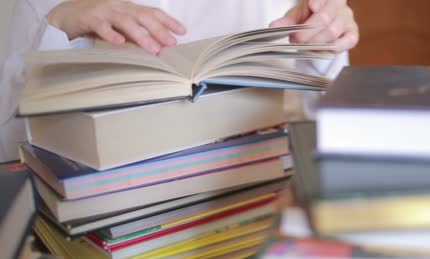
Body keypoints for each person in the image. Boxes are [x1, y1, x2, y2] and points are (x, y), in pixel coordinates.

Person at [0, 0, 358, 163]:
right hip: (107, 222)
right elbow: (7, 146)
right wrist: (60, 23)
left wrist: (323, 48)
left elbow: (334, 132)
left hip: (251, 197)